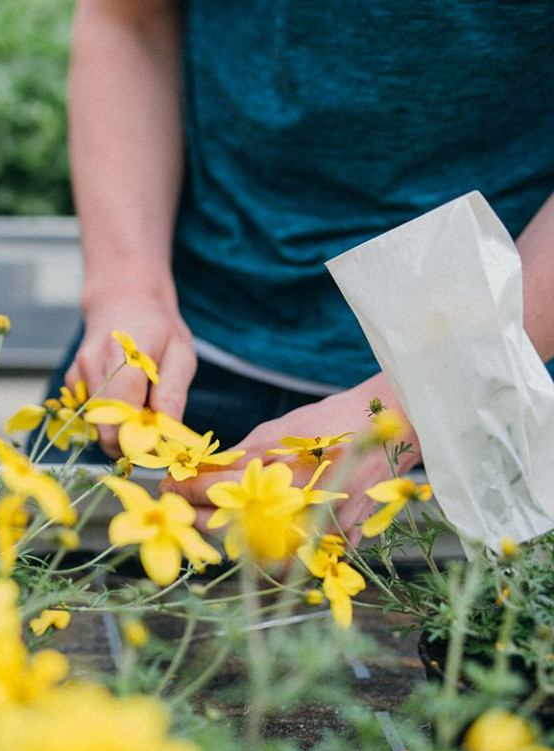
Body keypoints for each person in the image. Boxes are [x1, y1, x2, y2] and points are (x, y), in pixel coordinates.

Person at [59, 0, 554, 533]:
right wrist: (128, 288)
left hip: (500, 376)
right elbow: (128, 18)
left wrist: (402, 410)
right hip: (178, 358)